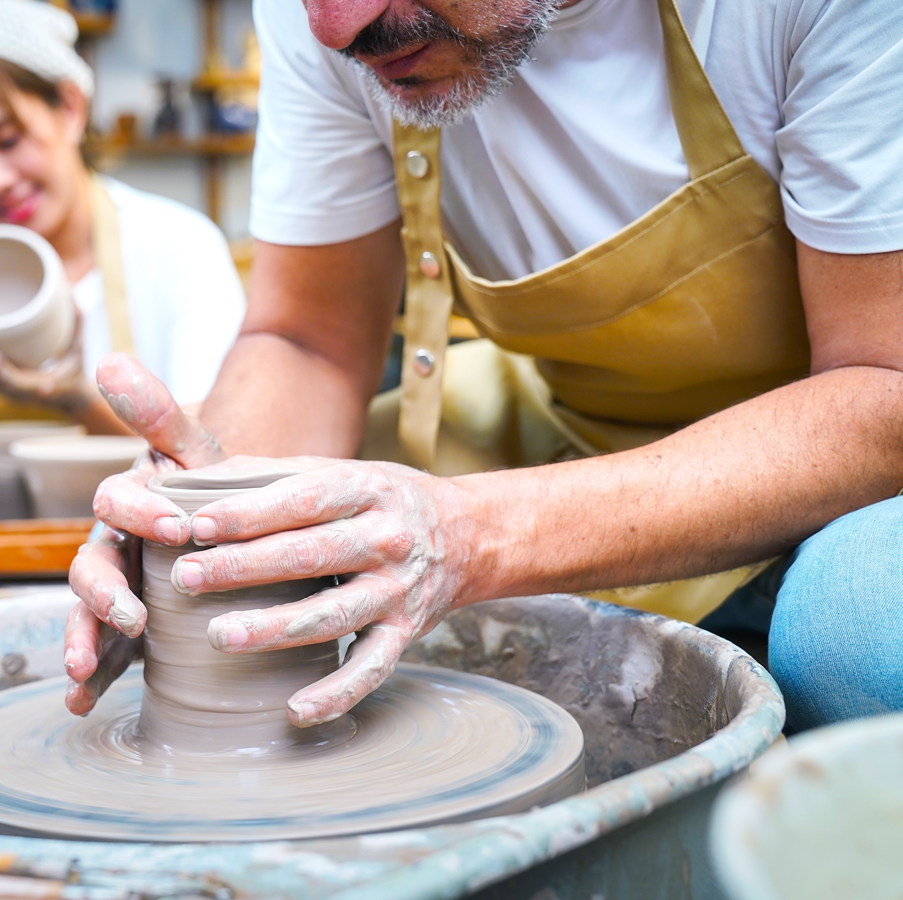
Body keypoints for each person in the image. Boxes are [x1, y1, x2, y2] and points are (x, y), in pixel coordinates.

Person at [64, 0, 903, 734]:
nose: (333, 28)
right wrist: (202, 518)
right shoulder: (327, 15)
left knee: (859, 621)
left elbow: (885, 387)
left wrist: (471, 535)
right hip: (566, 434)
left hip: (850, 458)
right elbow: (308, 340)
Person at [0, 0, 245, 437]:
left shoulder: (178, 246)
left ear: (69, 107)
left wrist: (76, 397)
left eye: (8, 140)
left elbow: (208, 452)